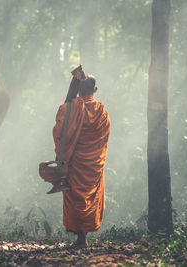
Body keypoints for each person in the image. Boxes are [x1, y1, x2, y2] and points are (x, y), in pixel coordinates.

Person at [52, 68, 110, 248]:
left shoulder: (72, 107)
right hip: (93, 164)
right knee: (89, 197)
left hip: (75, 162)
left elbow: (61, 127)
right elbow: (104, 138)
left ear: (78, 89)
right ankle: (82, 238)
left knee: (75, 196)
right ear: (95, 90)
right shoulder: (102, 112)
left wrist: (70, 93)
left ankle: (80, 238)